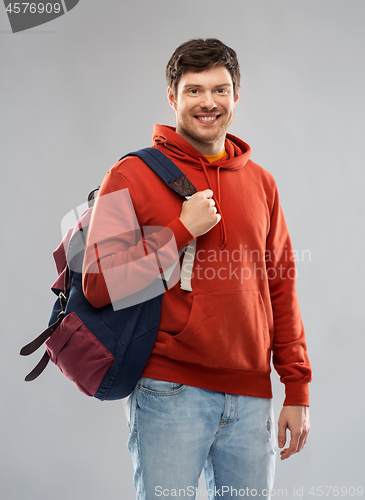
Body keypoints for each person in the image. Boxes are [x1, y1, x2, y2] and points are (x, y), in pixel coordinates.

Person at [82, 38, 312, 500]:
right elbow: (97, 285)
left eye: (220, 90)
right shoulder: (129, 175)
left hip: (251, 396)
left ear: (236, 96)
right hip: (169, 391)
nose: (209, 102)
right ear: (173, 98)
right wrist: (180, 230)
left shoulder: (262, 183)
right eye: (194, 90)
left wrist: (297, 389)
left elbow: (281, 286)